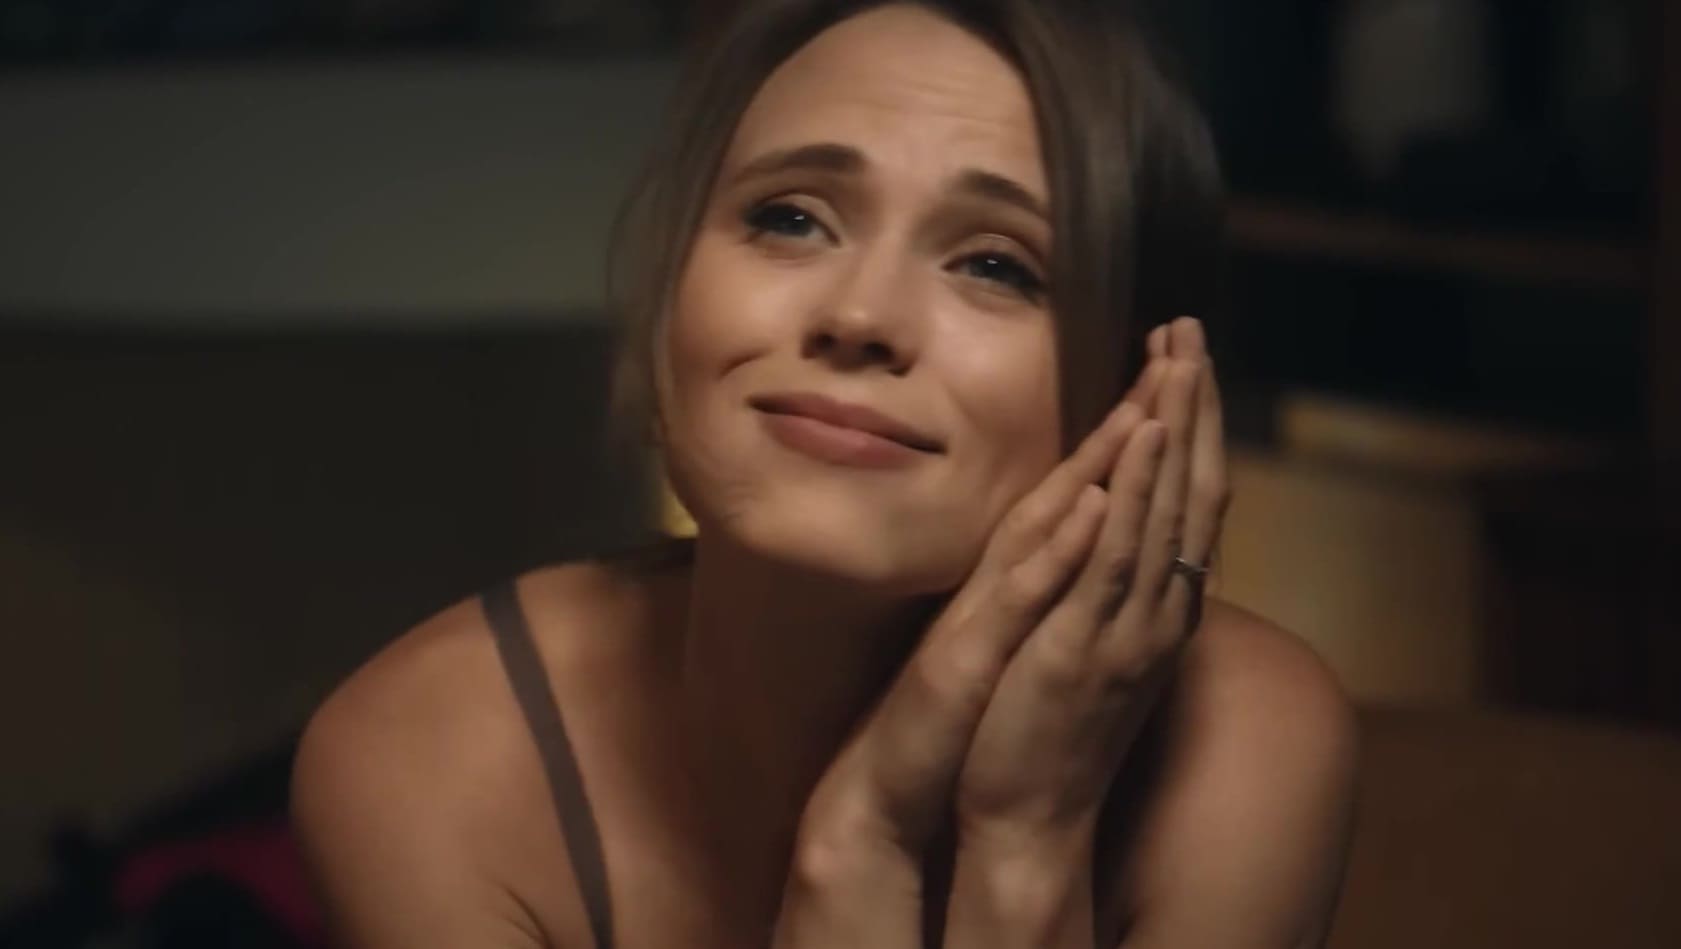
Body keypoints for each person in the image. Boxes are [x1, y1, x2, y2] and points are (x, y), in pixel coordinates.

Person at [290, 1, 1359, 946]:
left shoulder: (1244, 751)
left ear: (1143, 392)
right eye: (790, 217)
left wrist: (1021, 836)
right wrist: (862, 848)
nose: (858, 315)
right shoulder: (424, 767)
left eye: (996, 265)